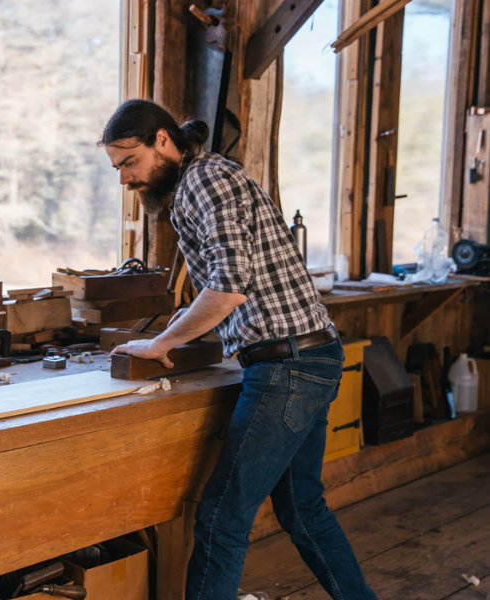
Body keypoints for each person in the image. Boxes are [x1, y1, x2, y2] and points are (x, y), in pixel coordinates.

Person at [102, 99, 376, 600]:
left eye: (129, 163)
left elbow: (229, 288)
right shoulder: (201, 180)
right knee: (304, 510)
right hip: (307, 357)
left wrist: (164, 341)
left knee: (221, 518)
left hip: (287, 365)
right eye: (118, 168)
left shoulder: (205, 180)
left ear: (163, 140)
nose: (125, 179)